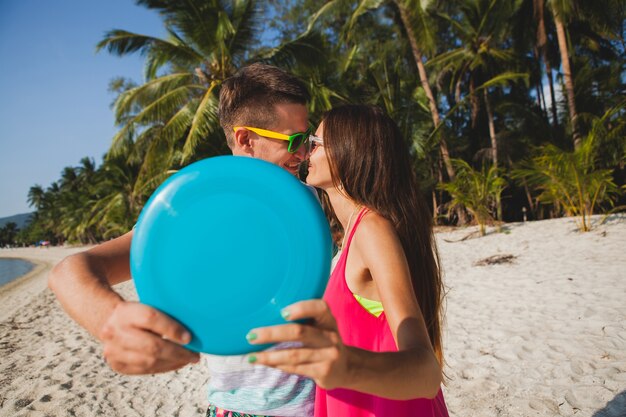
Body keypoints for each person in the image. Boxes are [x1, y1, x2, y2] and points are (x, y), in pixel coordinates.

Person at [48, 63, 316, 417]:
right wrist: (109, 319)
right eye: (294, 141)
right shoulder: (194, 209)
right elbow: (69, 271)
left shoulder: (310, 200)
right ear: (245, 139)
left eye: (307, 139)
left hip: (320, 405)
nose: (304, 152)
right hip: (240, 408)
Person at [246, 105, 449, 416]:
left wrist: (348, 366)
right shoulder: (353, 233)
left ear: (347, 152)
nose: (304, 152)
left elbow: (426, 371)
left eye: (314, 143)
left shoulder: (372, 229)